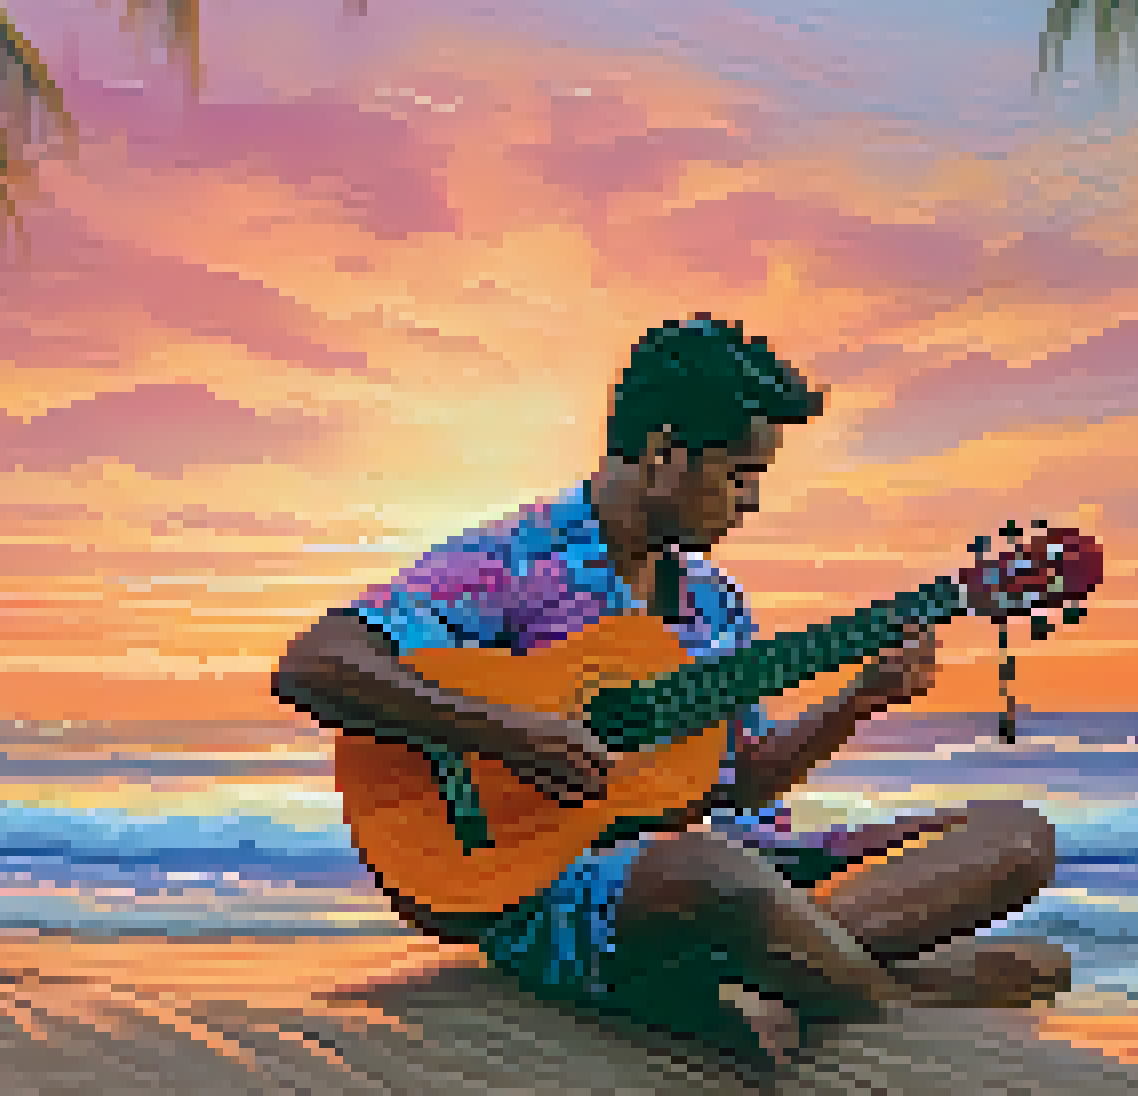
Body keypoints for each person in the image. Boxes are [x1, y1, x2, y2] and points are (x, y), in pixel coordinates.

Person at [271, 315, 1072, 1070]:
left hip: (737, 869)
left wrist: (860, 699)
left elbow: (744, 780)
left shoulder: (714, 606)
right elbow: (315, 663)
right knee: (705, 869)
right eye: (739, 475)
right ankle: (884, 999)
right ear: (663, 455)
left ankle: (774, 972)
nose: (751, 501)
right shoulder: (513, 561)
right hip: (555, 886)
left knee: (1016, 836)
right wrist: (512, 736)